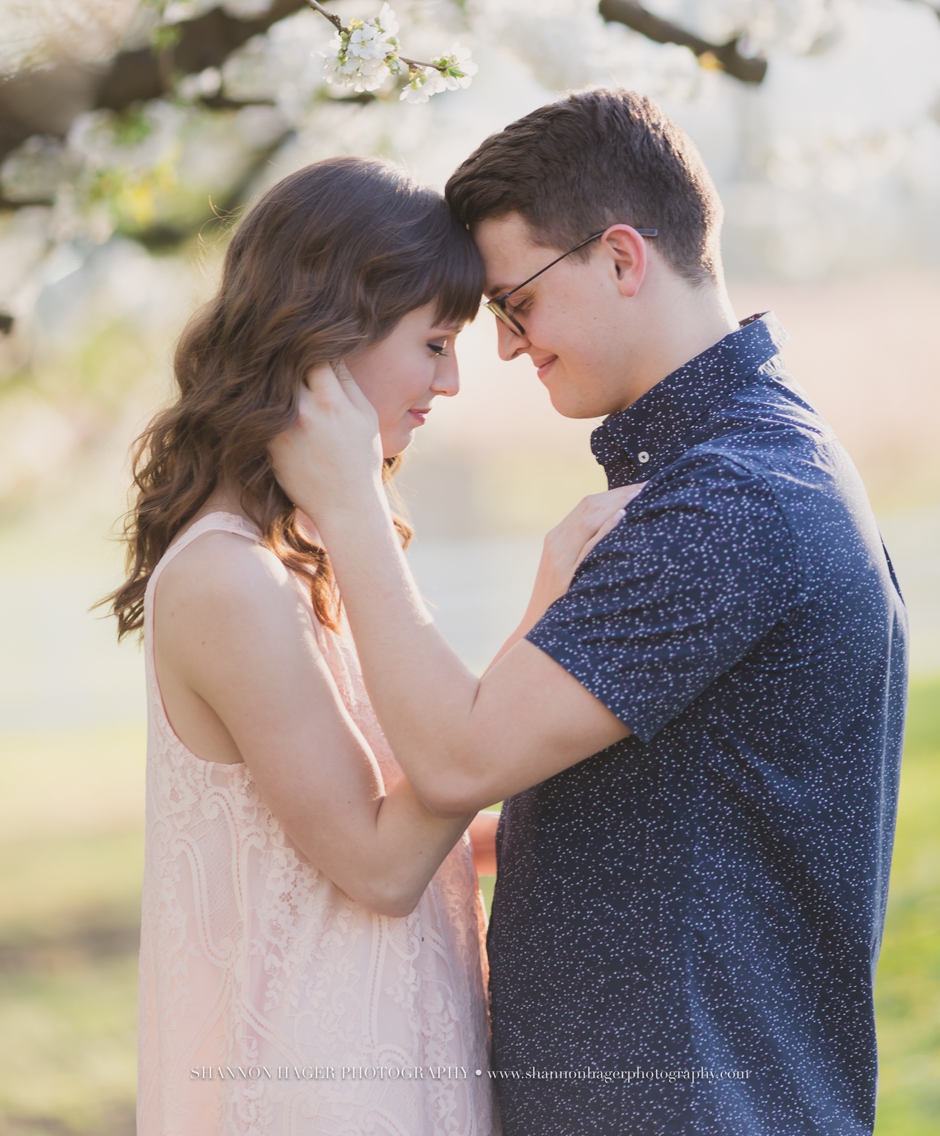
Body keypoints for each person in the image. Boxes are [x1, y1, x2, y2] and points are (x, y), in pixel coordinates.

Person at [268, 90, 908, 1136]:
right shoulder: (740, 465)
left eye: (515, 303)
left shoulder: (730, 496)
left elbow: (458, 758)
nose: (508, 349)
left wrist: (349, 505)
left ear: (619, 257)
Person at [110, 155, 630, 1136]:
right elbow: (383, 865)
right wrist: (543, 616)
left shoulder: (300, 547)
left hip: (388, 1048)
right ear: (326, 337)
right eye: (434, 342)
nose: (452, 379)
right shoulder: (228, 576)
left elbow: (402, 818)